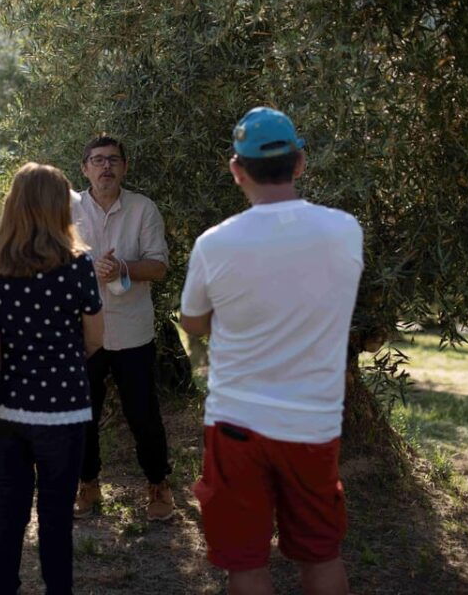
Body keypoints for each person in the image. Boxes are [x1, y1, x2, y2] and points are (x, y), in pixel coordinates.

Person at [180, 107, 363, 595]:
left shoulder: (213, 244)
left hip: (237, 421)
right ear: (300, 163)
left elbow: (192, 323)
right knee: (322, 554)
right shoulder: (346, 229)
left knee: (245, 563)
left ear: (237, 170)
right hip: (314, 422)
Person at [0, 162, 104, 595]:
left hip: (4, 403)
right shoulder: (77, 264)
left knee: (8, 509)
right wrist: (63, 358)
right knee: (55, 513)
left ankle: (5, 589)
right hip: (62, 407)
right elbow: (95, 337)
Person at [71, 135, 174, 521]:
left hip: (132, 331)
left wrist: (123, 268)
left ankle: (159, 486)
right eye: (97, 160)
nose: (106, 167)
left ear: (125, 167)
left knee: (143, 415)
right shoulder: (68, 208)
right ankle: (88, 484)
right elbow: (50, 262)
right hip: (83, 332)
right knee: (83, 413)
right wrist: (86, 269)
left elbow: (159, 266)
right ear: (84, 169)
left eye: (113, 160)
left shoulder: (143, 209)